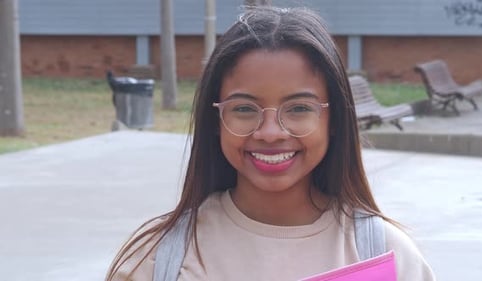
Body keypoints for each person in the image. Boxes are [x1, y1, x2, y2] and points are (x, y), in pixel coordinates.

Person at [105, 6, 435, 281]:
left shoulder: (386, 256)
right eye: (245, 109)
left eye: (299, 109)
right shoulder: (157, 259)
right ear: (215, 122)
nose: (270, 133)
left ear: (333, 121)